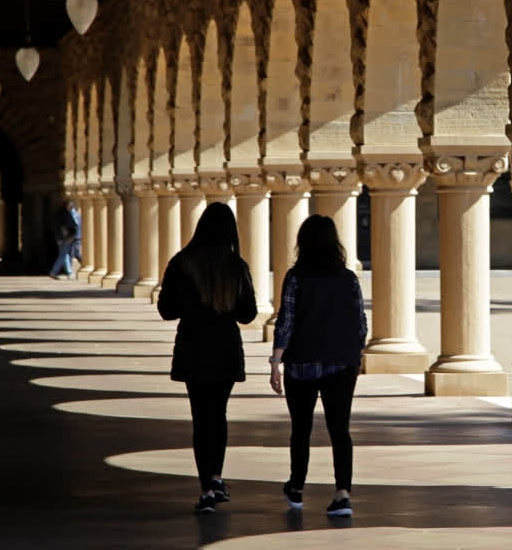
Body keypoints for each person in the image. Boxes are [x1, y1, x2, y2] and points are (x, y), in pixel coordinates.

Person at [157, 202, 258, 514]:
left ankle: (205, 489)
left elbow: (166, 310)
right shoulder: (236, 266)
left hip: (193, 347)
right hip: (225, 348)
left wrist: (192, 306)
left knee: (201, 418)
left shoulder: (182, 262)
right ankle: (216, 476)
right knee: (219, 414)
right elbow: (248, 314)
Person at [269, 215, 368, 518]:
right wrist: (353, 354)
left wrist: (276, 362)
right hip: (341, 363)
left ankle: (297, 488)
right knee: (341, 430)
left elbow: (285, 321)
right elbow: (361, 324)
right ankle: (342, 494)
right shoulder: (348, 278)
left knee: (301, 429)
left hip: (302, 363)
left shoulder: (296, 277)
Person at [48, 200, 78, 279]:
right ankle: (54, 272)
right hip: (65, 238)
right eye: (71, 206)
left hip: (60, 238)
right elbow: (71, 226)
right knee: (63, 255)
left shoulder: (58, 214)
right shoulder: (66, 214)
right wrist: (71, 236)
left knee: (65, 255)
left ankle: (69, 272)